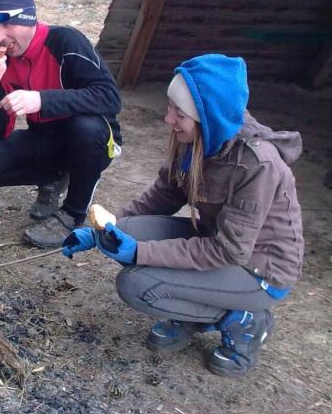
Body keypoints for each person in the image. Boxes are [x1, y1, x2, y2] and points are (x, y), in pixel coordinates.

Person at [62, 54, 304, 377]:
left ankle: (244, 320)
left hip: (258, 270)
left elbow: (229, 250)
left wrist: (141, 252)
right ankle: (192, 307)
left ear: (209, 118)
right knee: (124, 232)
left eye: (180, 113)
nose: (168, 119)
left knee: (137, 285)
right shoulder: (194, 140)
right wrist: (101, 230)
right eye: (170, 108)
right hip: (214, 239)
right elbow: (166, 192)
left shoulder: (256, 165)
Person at [0, 0, 121, 248]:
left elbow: (109, 98)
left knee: (86, 128)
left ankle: (73, 213)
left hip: (95, 140)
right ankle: (53, 177)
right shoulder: (2, 59)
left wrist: (41, 100)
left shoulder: (66, 42)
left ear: (29, 19)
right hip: (45, 137)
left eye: (7, 25)